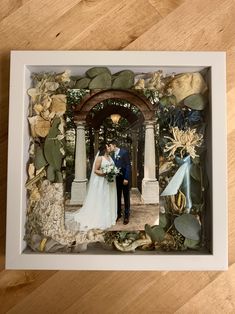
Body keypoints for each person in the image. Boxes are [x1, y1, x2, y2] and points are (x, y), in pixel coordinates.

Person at [66, 143, 117, 231]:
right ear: (105, 148)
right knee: (101, 199)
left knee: (108, 198)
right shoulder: (100, 158)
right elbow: (95, 170)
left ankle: (109, 216)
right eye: (108, 146)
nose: (109, 148)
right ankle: (100, 217)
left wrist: (112, 172)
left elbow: (112, 167)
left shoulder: (110, 158)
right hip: (102, 182)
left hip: (109, 182)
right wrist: (105, 173)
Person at [109, 140, 131, 224]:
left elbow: (128, 165)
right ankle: (118, 214)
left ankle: (126, 215)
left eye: (110, 146)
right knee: (117, 196)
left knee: (126, 196)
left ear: (114, 145)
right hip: (117, 179)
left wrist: (126, 178)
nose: (110, 148)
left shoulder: (124, 152)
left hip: (124, 178)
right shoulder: (112, 154)